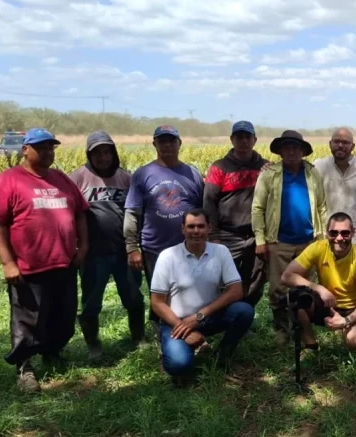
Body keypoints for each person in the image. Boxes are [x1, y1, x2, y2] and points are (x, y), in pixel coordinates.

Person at [0, 128, 89, 392]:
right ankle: (25, 367)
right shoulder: (9, 180)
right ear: (25, 150)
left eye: (51, 147)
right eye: (41, 147)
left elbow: (81, 212)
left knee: (62, 315)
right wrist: (8, 262)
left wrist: (83, 247)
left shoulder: (61, 178)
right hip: (28, 266)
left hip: (63, 263)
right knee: (28, 318)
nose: (48, 152)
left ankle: (52, 352)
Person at [150, 209, 255, 382]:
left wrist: (200, 316)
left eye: (200, 226)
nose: (196, 231)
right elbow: (157, 302)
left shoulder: (220, 251)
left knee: (244, 311)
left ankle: (221, 356)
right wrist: (184, 330)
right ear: (183, 229)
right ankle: (172, 345)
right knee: (179, 365)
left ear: (209, 228)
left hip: (208, 317)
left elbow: (236, 291)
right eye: (191, 226)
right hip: (176, 322)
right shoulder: (167, 257)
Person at [69, 130, 146, 361]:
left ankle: (139, 337)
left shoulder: (126, 178)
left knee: (133, 297)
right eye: (97, 154)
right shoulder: (77, 178)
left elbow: (136, 214)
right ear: (89, 155)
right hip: (93, 253)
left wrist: (136, 246)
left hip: (124, 251)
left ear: (113, 153)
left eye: (106, 152)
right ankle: (93, 344)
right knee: (91, 302)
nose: (103, 158)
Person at [124, 125, 204, 328]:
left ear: (180, 143)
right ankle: (160, 328)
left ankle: (188, 327)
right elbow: (133, 212)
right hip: (154, 248)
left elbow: (202, 213)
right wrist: (132, 248)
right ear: (154, 144)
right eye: (162, 141)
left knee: (188, 290)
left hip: (187, 247)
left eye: (171, 141)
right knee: (159, 291)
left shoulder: (193, 174)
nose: (167, 145)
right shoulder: (143, 174)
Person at [252, 130, 328, 345]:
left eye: (296, 147)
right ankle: (281, 328)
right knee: (278, 288)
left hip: (308, 241)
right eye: (287, 147)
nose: (292, 151)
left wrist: (321, 237)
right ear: (281, 151)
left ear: (303, 151)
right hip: (279, 241)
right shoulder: (269, 174)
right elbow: (257, 208)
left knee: (305, 288)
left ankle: (303, 329)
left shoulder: (313, 173)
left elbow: (321, 206)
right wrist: (260, 239)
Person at [280, 212, 356, 351]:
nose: (339, 238)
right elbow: (287, 276)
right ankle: (310, 344)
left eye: (345, 233)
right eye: (333, 233)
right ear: (326, 233)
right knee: (295, 297)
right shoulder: (318, 248)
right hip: (327, 304)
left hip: (353, 309)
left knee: (354, 341)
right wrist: (318, 288)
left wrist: (345, 320)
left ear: (353, 233)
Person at [203, 121, 268, 307]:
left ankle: (245, 313)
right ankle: (221, 316)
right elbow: (209, 204)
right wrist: (213, 236)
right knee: (223, 279)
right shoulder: (219, 168)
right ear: (232, 139)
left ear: (254, 140)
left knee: (256, 278)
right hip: (227, 235)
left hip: (257, 235)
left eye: (248, 137)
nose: (244, 141)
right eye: (239, 137)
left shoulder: (266, 167)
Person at [313, 128, 356, 247]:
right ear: (330, 144)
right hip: (328, 236)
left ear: (353, 146)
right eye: (336, 141)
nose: (340, 145)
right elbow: (297, 167)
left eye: (345, 143)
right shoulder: (319, 166)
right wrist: (268, 165)